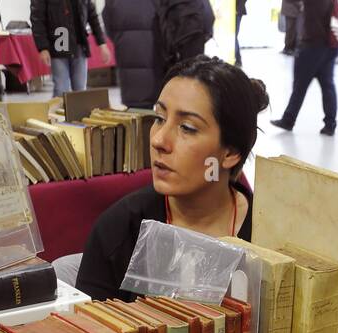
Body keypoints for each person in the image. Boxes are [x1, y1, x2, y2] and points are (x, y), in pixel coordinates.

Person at [77, 56, 267, 301]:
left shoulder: (267, 238)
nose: (158, 140)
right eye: (159, 118)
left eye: (187, 127)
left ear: (230, 152)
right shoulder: (119, 231)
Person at [270, 0, 338, 136]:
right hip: (329, 45)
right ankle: (330, 124)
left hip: (311, 46)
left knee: (300, 86)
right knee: (327, 85)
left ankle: (288, 120)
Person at [30, 0, 112, 96]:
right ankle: (60, 110)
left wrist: (102, 43)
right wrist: (43, 48)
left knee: (80, 90)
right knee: (61, 89)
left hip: (79, 47)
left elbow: (92, 15)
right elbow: (37, 19)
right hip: (58, 46)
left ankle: (78, 111)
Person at [103, 0, 164, 107]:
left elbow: (108, 24)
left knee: (133, 108)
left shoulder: (113, 2)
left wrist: (120, 38)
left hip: (126, 52)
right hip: (152, 55)